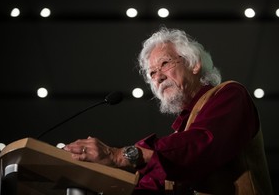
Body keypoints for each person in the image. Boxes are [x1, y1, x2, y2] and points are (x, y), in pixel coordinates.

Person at [64, 27, 273, 195]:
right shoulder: (180, 133)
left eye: (164, 64)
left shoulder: (230, 94)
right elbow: (152, 184)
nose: (158, 77)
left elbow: (201, 143)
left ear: (194, 64)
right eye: (152, 73)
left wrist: (119, 155)